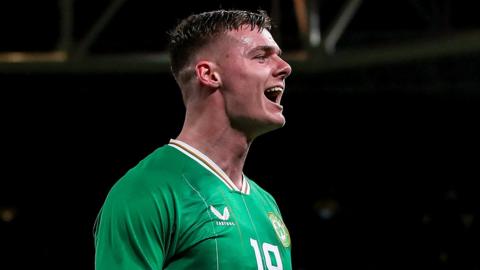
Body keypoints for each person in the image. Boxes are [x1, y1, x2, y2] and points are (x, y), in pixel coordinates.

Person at [94, 9, 293, 269]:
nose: (285, 68)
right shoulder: (147, 191)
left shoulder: (266, 205)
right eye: (261, 57)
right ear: (209, 75)